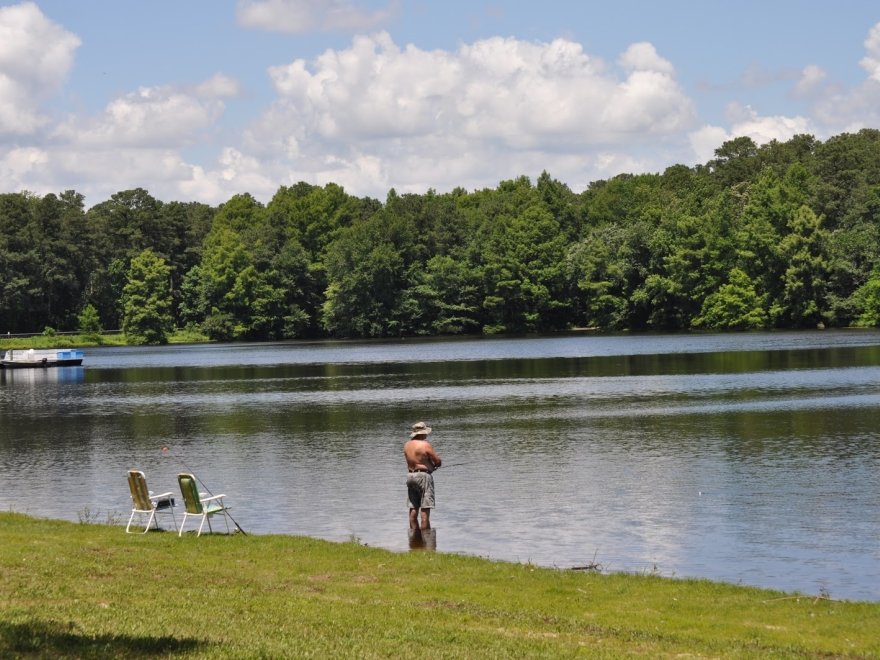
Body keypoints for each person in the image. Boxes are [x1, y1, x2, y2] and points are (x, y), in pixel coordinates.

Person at [404, 421, 441, 530]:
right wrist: (436, 464)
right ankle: (426, 539)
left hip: (410, 476)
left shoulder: (407, 445)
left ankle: (413, 538)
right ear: (421, 433)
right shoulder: (425, 445)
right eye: (425, 433)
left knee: (413, 506)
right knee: (425, 507)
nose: (426, 435)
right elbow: (437, 461)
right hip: (423, 477)